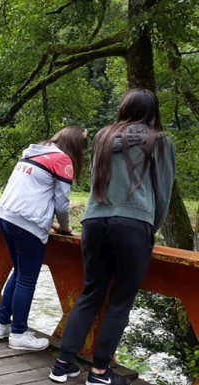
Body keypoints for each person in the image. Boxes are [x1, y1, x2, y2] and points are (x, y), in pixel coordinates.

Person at [49, 89, 175, 385]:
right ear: (153, 111)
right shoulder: (159, 140)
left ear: (124, 108)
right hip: (133, 223)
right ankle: (100, 372)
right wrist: (149, 227)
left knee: (91, 292)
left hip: (94, 220)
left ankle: (62, 365)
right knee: (120, 300)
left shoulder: (103, 137)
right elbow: (163, 192)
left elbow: (96, 180)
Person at [0, 126, 87, 351]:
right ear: (75, 145)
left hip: (5, 215)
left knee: (19, 271)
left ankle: (1, 323)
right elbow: (62, 204)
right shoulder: (62, 160)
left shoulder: (33, 152)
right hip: (27, 222)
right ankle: (19, 333)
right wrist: (64, 228)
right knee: (27, 278)